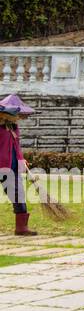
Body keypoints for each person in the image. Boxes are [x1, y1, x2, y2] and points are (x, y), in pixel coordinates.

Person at [0, 94, 36, 236]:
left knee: (18, 194)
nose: (18, 118)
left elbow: (17, 146)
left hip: (11, 166)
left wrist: (21, 159)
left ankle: (21, 228)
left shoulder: (14, 127)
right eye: (16, 114)